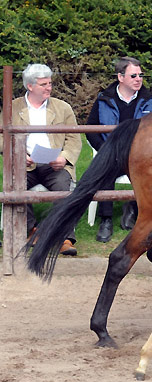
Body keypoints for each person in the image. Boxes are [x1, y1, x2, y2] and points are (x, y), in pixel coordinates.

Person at [0, 63, 81, 255]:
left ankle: (64, 238)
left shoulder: (63, 108)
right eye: (43, 84)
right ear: (30, 86)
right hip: (24, 164)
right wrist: (19, 155)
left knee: (63, 186)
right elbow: (2, 138)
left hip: (54, 164)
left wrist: (64, 157)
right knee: (16, 183)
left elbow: (75, 139)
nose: (49, 88)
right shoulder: (13, 107)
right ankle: (30, 230)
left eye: (50, 83)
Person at [86, 56, 152, 242]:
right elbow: (90, 129)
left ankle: (133, 212)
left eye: (141, 75)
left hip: (140, 155)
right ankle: (106, 220)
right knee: (105, 171)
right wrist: (105, 150)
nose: (138, 79)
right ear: (120, 77)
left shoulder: (149, 101)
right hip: (112, 153)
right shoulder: (104, 99)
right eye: (133, 75)